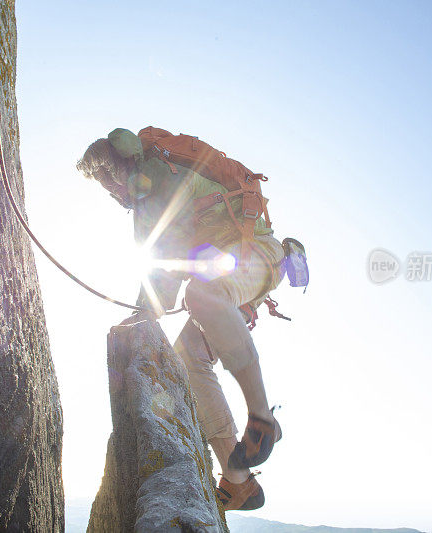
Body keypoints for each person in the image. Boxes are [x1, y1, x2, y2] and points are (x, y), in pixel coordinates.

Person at [78, 127, 285, 511]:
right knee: (187, 356)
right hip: (241, 265)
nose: (112, 196)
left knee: (202, 294)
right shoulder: (158, 175)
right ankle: (239, 482)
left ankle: (262, 420)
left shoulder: (155, 180)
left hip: (260, 256)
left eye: (108, 186)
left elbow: (165, 254)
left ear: (116, 172)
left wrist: (146, 313)